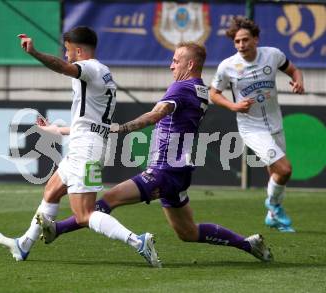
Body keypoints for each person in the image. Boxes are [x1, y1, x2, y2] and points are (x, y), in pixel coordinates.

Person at [39, 42, 273, 263]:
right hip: (179, 170)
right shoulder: (201, 89)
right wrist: (57, 129)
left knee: (108, 200)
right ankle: (248, 244)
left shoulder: (181, 87)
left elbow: (156, 114)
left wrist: (123, 128)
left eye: (175, 60)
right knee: (188, 232)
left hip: (164, 170)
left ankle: (57, 229)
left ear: (190, 64)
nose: (171, 65)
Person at [0, 26, 161, 268]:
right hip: (86, 143)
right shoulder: (104, 73)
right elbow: (89, 122)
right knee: (51, 191)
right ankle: (24, 245)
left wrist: (35, 53)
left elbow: (63, 68)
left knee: (84, 215)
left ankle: (138, 241)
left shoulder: (90, 68)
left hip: (87, 148)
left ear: (79, 50)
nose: (65, 54)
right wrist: (57, 130)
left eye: (67, 49)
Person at [209, 17, 304, 232]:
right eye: (237, 41)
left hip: (275, 123)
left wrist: (299, 82)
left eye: (245, 40)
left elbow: (294, 70)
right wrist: (233, 106)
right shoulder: (228, 66)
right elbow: (214, 93)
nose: (241, 45)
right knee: (285, 169)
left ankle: (273, 217)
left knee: (276, 174)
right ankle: (274, 206)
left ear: (256, 39)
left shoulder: (273, 55)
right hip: (251, 128)